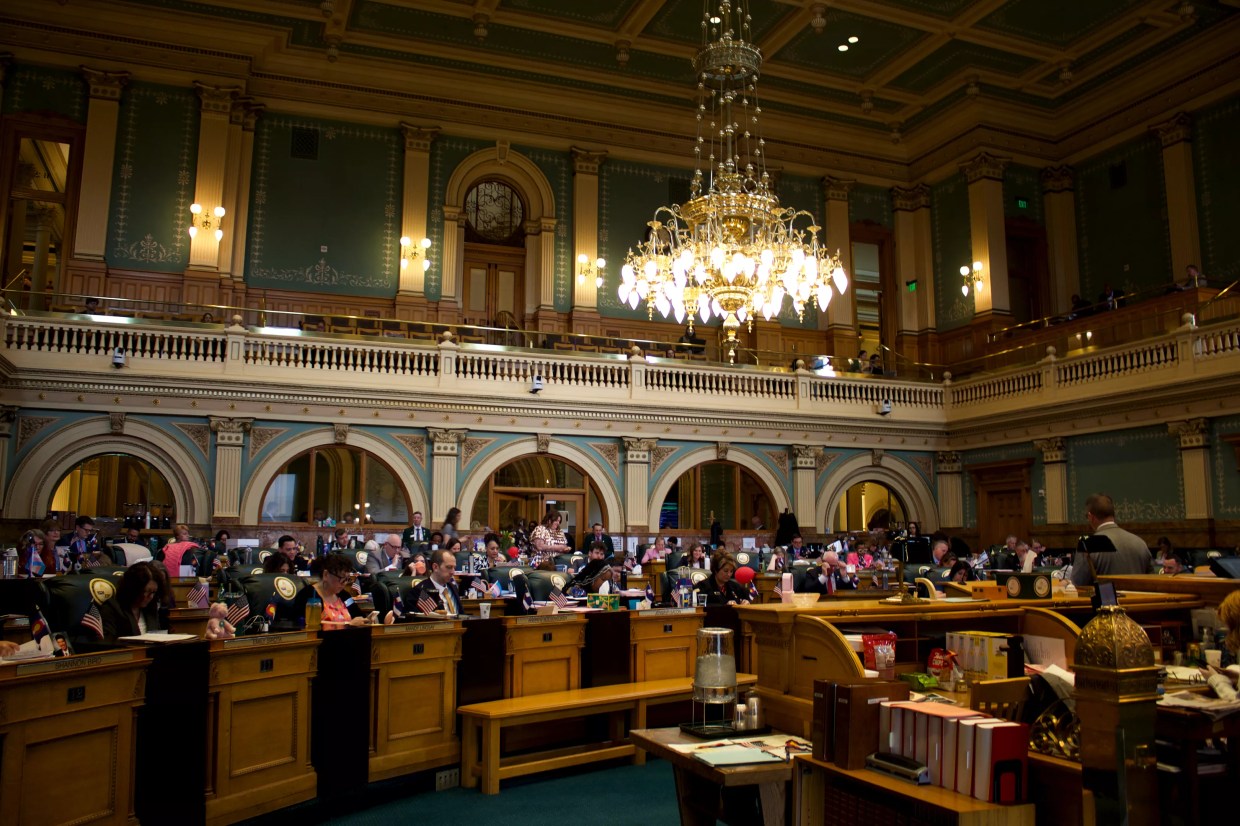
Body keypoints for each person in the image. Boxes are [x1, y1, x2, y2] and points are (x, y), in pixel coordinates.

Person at [1070, 493, 1154, 587]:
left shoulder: (1087, 544)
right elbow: (1151, 581)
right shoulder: (1140, 542)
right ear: (1113, 514)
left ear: (1091, 517)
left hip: (1107, 601)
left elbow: (1077, 585)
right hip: (1139, 601)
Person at [98, 562, 164, 642]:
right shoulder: (112, 608)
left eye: (153, 592)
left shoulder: (151, 607)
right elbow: (108, 644)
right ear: (133, 588)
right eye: (146, 591)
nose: (151, 597)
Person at [309, 554, 370, 627]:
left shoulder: (344, 595)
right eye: (341, 579)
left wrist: (366, 620)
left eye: (347, 579)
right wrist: (348, 625)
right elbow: (305, 626)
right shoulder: (309, 595)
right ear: (326, 575)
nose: (344, 583)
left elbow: (358, 615)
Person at [408, 549, 461, 615]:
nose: (453, 572)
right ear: (435, 567)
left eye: (454, 568)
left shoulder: (453, 588)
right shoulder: (419, 592)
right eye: (449, 567)